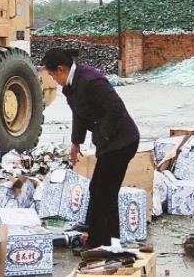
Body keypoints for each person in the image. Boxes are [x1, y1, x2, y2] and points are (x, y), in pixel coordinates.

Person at [42, 47, 140, 250]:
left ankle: (102, 243)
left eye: (52, 75)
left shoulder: (91, 80)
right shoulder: (71, 85)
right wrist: (75, 142)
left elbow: (116, 108)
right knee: (100, 190)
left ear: (60, 69)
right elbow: (79, 114)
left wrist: (102, 135)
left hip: (122, 141)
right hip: (110, 143)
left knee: (103, 191)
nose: (52, 79)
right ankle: (106, 241)